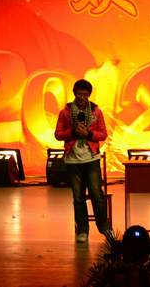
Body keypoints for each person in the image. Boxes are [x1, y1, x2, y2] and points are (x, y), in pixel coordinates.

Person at [54, 79, 114, 244]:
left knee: (97, 194)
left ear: (89, 95)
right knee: (78, 197)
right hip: (73, 160)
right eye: (79, 94)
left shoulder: (96, 112)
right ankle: (82, 229)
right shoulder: (65, 112)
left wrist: (88, 134)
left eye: (85, 94)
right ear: (74, 93)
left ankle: (104, 227)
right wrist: (73, 132)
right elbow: (58, 134)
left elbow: (103, 134)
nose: (82, 97)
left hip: (91, 158)